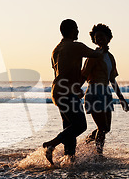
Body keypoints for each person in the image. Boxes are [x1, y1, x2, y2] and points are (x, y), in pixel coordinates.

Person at [42, 19, 104, 165]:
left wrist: (75, 87)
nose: (78, 31)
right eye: (76, 29)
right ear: (71, 30)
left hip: (57, 92)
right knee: (80, 125)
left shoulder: (56, 50)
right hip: (67, 93)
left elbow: (62, 72)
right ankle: (51, 144)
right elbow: (97, 55)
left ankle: (70, 160)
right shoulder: (76, 46)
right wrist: (103, 45)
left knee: (69, 127)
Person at [81, 23, 128, 154]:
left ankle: (84, 144)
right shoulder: (94, 55)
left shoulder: (110, 57)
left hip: (106, 92)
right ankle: (98, 154)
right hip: (94, 91)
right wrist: (74, 89)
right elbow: (84, 74)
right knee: (101, 128)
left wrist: (121, 98)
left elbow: (112, 79)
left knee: (106, 128)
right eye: (97, 37)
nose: (99, 39)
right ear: (94, 40)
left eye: (102, 36)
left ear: (108, 38)